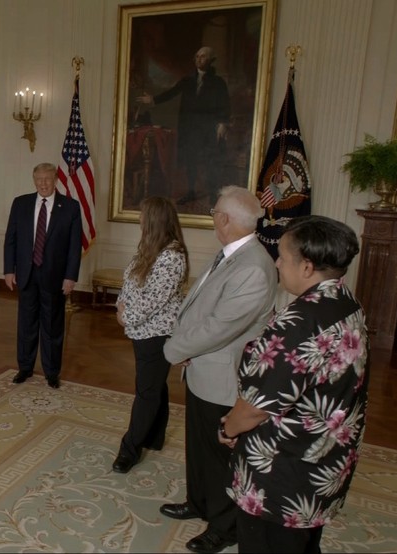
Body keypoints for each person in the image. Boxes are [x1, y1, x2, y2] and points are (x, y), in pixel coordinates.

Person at [219, 216, 368, 553]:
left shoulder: (298, 324)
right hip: (323, 464)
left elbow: (255, 408)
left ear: (307, 267)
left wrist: (229, 429)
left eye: (283, 257)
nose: (276, 263)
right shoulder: (346, 302)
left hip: (282, 478)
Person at [159, 185, 277, 554]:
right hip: (202, 367)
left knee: (223, 456)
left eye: (214, 212)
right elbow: (202, 308)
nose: (213, 217)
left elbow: (221, 326)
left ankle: (225, 526)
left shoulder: (254, 266)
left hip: (222, 377)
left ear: (224, 219)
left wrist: (173, 349)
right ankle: (199, 502)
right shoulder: (232, 254)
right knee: (199, 446)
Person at [113, 196, 189, 473]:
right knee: (155, 385)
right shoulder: (148, 248)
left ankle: (129, 450)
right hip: (140, 330)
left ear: (154, 219)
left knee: (146, 391)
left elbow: (152, 300)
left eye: (143, 215)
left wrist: (126, 316)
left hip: (157, 334)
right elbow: (129, 283)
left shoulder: (172, 256)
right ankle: (155, 437)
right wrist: (120, 305)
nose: (139, 219)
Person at [3, 162, 82, 389]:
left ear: (55, 180)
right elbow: (11, 239)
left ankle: (51, 372)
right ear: (34, 180)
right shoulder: (21, 203)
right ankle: (25, 368)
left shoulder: (70, 207)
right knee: (26, 324)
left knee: (52, 325)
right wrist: (9, 269)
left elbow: (74, 247)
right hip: (26, 274)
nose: (43, 184)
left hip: (55, 277)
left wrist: (70, 277)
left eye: (47, 179)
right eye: (39, 179)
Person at [138, 46, 230, 204]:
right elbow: (172, 92)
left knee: (210, 161)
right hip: (190, 128)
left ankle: (213, 194)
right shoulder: (188, 80)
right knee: (190, 160)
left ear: (211, 60)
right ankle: (191, 191)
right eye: (197, 56)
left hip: (208, 129)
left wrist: (222, 122)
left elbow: (224, 103)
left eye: (203, 57)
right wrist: (153, 100)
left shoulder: (218, 82)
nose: (199, 59)